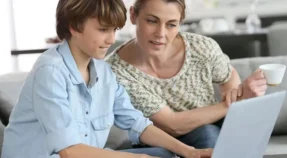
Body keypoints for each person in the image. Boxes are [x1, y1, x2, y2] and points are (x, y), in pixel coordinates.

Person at [1, 0, 213, 158]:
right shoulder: (50, 71)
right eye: (103, 30)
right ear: (74, 27)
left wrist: (189, 151)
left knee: (166, 154)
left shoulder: (104, 72)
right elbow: (69, 151)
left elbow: (137, 124)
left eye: (114, 30)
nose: (111, 39)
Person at [106, 0, 267, 149]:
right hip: (159, 143)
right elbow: (172, 125)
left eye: (171, 25)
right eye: (152, 21)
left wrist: (232, 94)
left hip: (211, 127)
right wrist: (235, 102)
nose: (160, 33)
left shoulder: (201, 48)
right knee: (208, 134)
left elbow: (228, 74)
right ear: (133, 15)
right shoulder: (116, 72)